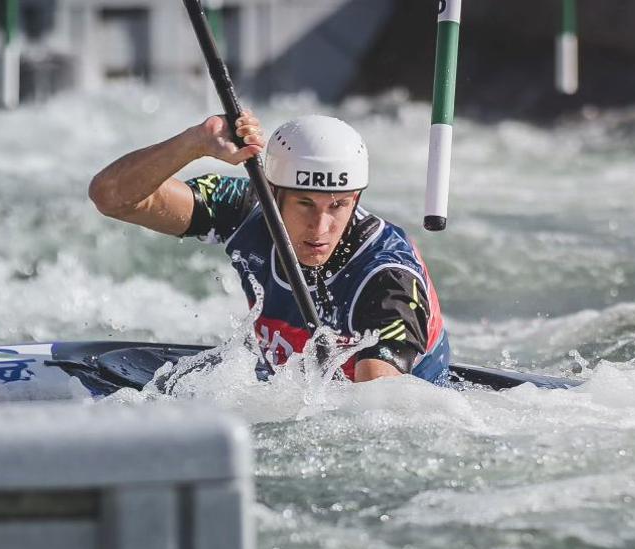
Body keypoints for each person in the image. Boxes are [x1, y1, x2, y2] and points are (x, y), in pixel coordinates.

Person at [88, 111, 450, 383]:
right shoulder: (247, 210)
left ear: (355, 199)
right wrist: (195, 143)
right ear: (273, 195)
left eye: (338, 205)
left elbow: (375, 416)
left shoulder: (388, 280)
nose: (320, 228)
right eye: (305, 204)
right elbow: (113, 197)